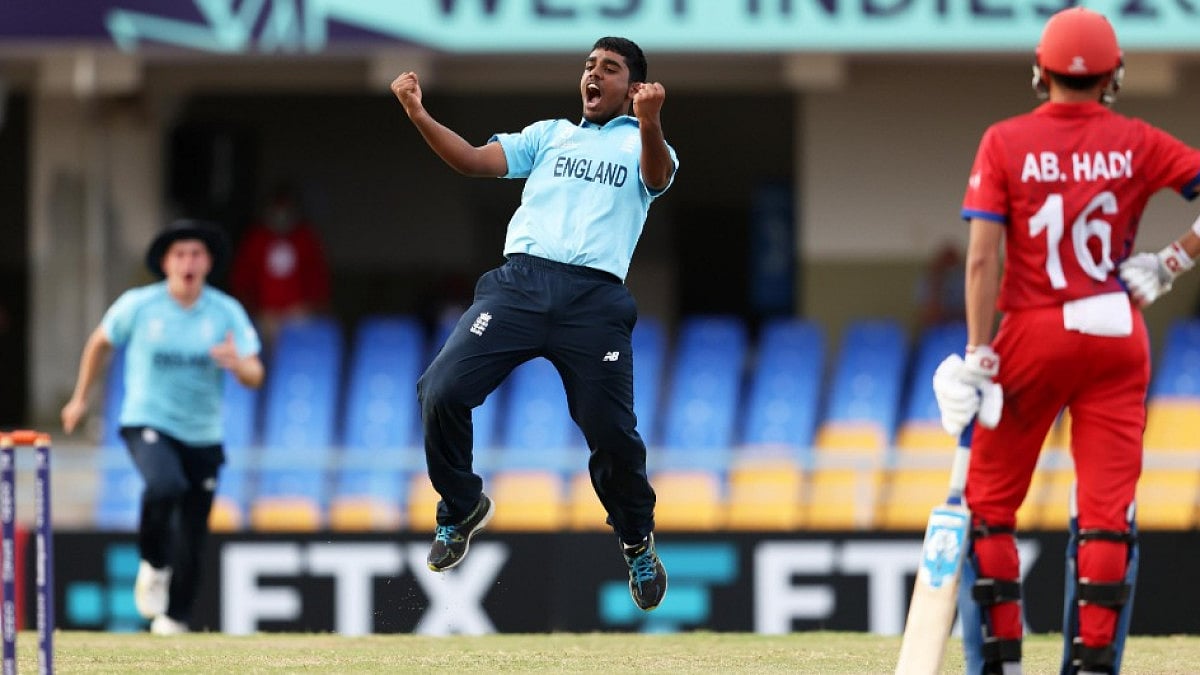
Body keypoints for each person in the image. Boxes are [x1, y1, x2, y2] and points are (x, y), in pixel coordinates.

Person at [932, 7, 1200, 674]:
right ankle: (1092, 664)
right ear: (1114, 76)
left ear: (1039, 71)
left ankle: (1001, 663)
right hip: (1116, 328)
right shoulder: (1137, 139)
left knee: (990, 506)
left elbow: (982, 258)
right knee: (1107, 513)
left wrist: (978, 349)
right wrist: (1173, 261)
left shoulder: (1005, 140)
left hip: (1034, 329)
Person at [390, 36, 677, 611]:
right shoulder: (549, 135)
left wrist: (650, 121)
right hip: (519, 285)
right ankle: (461, 506)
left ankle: (636, 540)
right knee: (440, 389)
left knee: (611, 432)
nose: (594, 75)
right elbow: (473, 159)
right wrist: (418, 113)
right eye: (590, 66)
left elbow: (657, 175)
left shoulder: (645, 140)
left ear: (633, 87)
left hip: (594, 299)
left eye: (610, 69)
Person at [61, 220, 265, 635]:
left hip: (203, 433)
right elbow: (99, 342)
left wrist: (237, 364)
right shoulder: (139, 305)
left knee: (193, 532)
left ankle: (174, 620)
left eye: (196, 254)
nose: (188, 263)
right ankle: (153, 563)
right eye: (180, 254)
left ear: (208, 262)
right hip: (148, 420)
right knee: (164, 485)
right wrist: (81, 397)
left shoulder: (225, 311)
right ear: (166, 262)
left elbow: (255, 374)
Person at [230, 184, 332, 345]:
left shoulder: (306, 239)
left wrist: (310, 308)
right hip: (265, 314)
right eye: (277, 211)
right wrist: (255, 310)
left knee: (301, 333)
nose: (281, 216)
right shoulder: (256, 239)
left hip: (299, 313)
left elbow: (319, 281)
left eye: (285, 211)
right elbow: (242, 282)